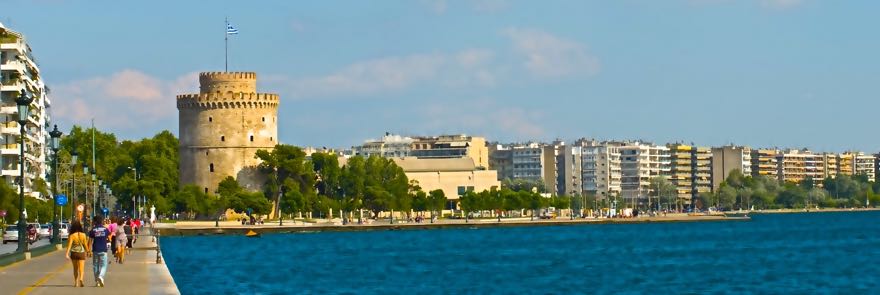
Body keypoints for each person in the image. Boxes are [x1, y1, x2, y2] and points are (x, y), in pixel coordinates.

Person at [88, 215, 111, 287]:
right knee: (104, 265)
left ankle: (97, 281)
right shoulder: (105, 229)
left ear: (94, 221)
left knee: (95, 266)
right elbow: (109, 237)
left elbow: (90, 241)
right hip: (103, 250)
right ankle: (101, 277)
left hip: (95, 249)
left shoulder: (93, 230)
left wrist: (88, 251)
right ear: (101, 221)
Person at [65, 221, 88, 287]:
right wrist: (88, 251)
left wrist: (66, 254)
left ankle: (76, 282)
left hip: (74, 253)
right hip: (81, 253)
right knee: (81, 268)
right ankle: (81, 279)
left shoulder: (72, 235)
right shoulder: (83, 235)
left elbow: (69, 245)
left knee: (75, 269)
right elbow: (85, 245)